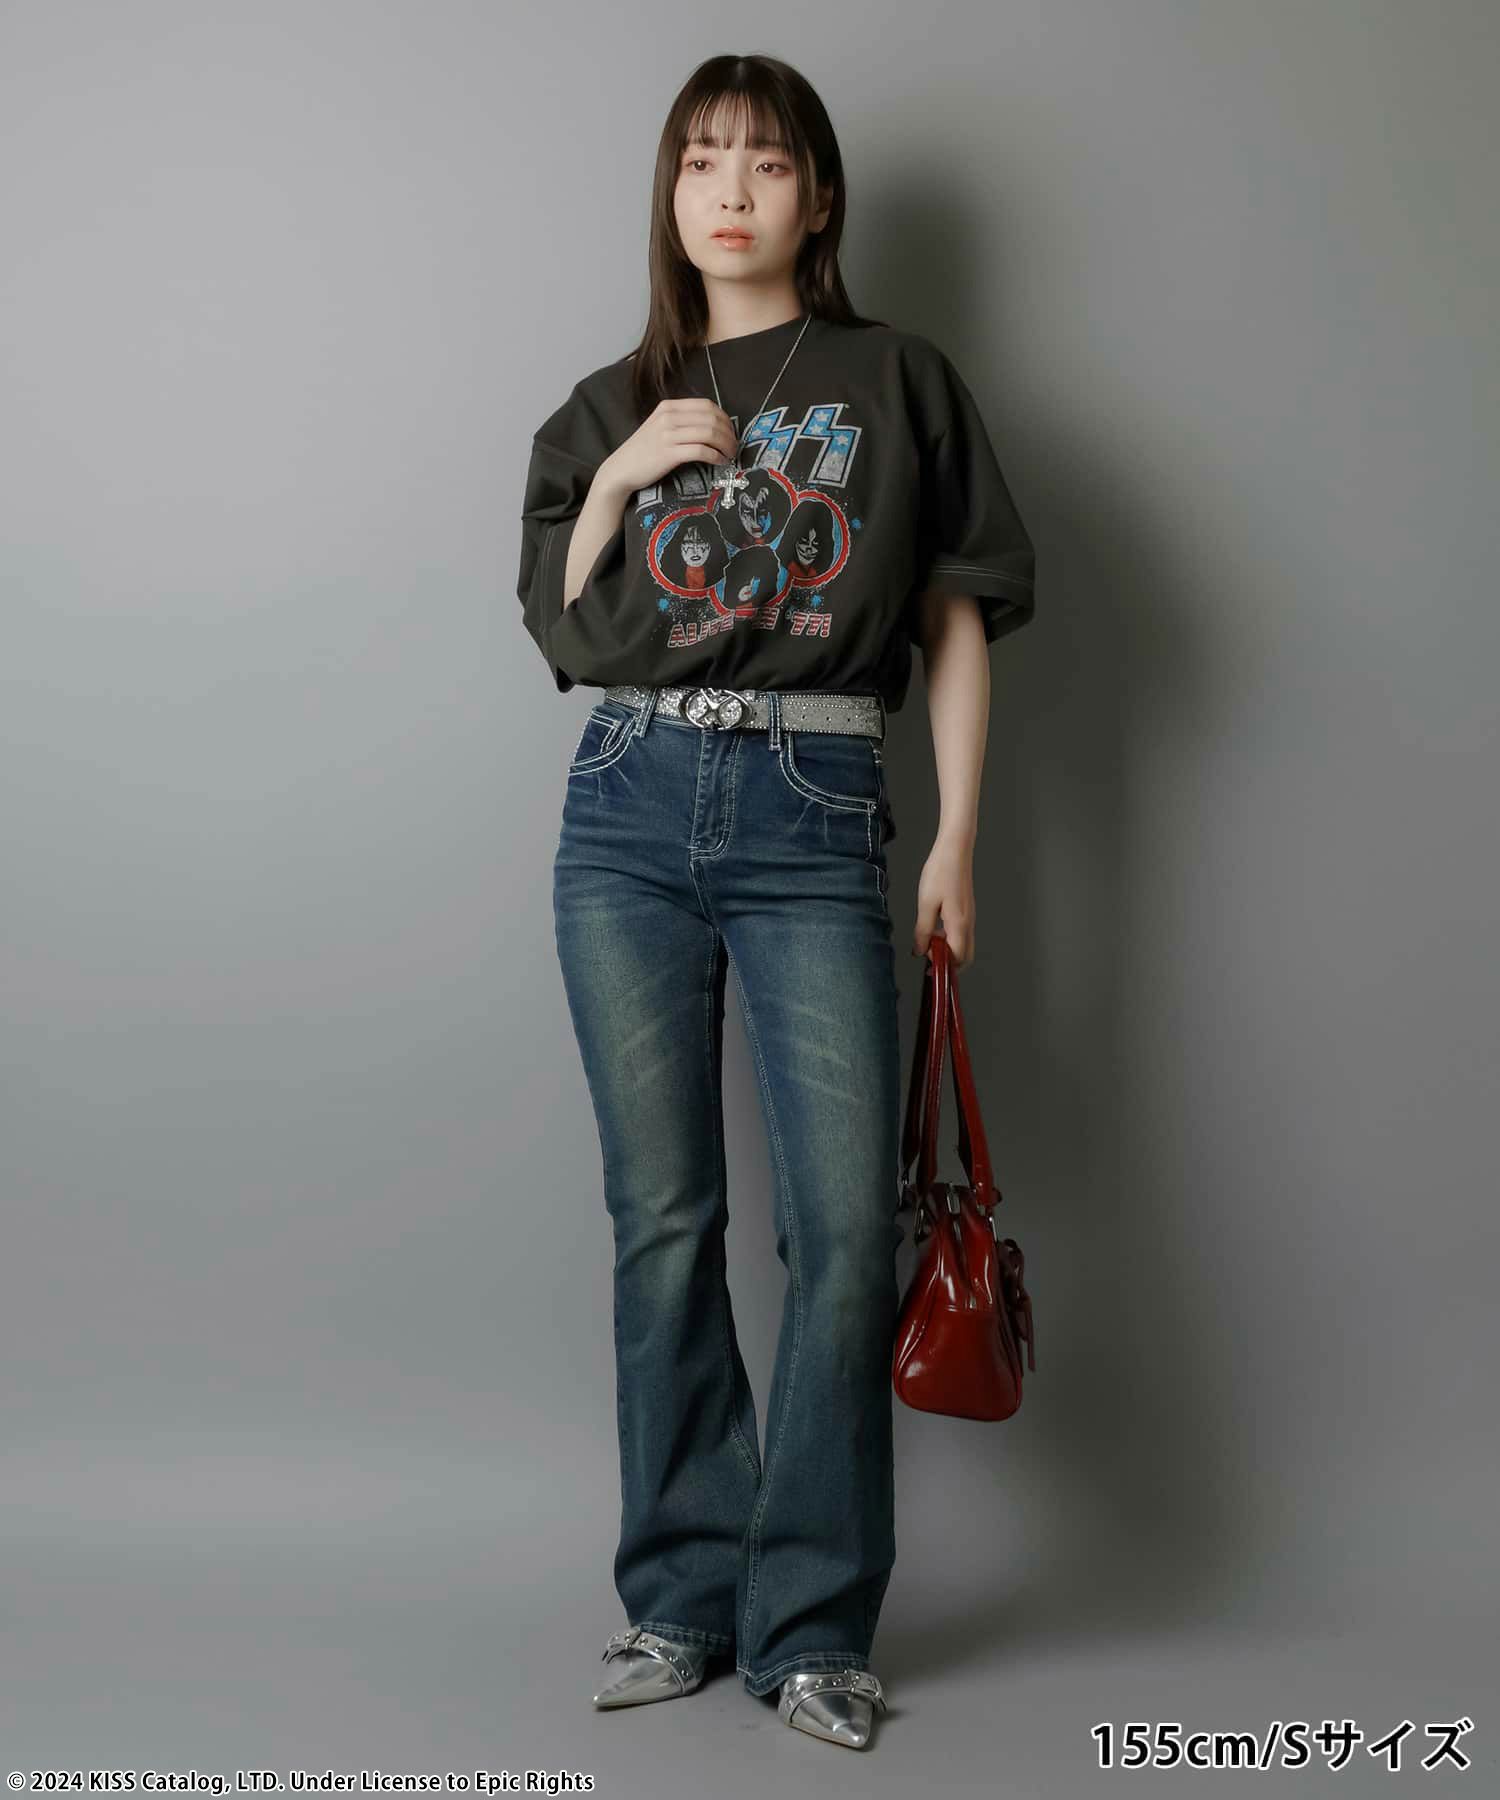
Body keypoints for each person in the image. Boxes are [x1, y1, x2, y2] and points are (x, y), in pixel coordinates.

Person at [515, 52, 1036, 1751]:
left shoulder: (899, 379)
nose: (728, 190)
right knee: (663, 1222)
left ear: (819, 197)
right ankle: (680, 1597)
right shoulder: (606, 403)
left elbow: (952, 614)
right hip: (627, 801)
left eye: (764, 160)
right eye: (698, 161)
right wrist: (619, 477)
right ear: (669, 197)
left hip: (817, 804)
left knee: (837, 1234)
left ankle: (810, 1625)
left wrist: (956, 838)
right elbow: (561, 623)